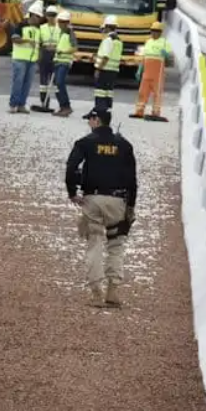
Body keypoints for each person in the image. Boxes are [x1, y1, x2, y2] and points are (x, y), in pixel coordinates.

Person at [65, 108, 138, 308]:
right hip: (118, 201)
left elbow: (71, 167)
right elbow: (132, 179)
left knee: (94, 243)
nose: (89, 122)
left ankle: (96, 292)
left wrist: (72, 192)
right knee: (116, 245)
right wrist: (130, 207)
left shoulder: (85, 143)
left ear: (97, 120)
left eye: (90, 119)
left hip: (93, 200)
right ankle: (113, 290)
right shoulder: (124, 145)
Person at [132, 22, 174, 121]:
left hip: (157, 73)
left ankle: (155, 112)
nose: (154, 33)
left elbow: (170, 58)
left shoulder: (164, 43)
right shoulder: (148, 42)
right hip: (147, 72)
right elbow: (144, 57)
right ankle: (139, 111)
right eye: (152, 31)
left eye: (156, 31)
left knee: (157, 93)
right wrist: (139, 70)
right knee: (142, 92)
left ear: (160, 32)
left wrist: (166, 55)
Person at [7, 5, 42, 113]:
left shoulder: (37, 28)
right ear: (32, 15)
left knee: (27, 84)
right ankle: (13, 105)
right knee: (18, 82)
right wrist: (27, 41)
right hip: (20, 59)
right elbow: (14, 39)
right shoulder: (21, 25)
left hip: (32, 60)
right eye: (38, 16)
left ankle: (21, 104)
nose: (39, 19)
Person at [33, 4, 61, 112]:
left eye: (53, 15)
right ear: (46, 15)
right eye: (49, 15)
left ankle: (61, 103)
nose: (51, 17)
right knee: (43, 81)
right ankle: (44, 101)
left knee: (55, 81)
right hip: (45, 54)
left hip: (56, 54)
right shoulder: (42, 28)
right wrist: (37, 56)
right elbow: (38, 43)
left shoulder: (60, 28)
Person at [93, 15, 124, 113]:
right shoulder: (119, 41)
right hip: (113, 70)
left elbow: (106, 57)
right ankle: (106, 112)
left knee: (100, 92)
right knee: (108, 92)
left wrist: (98, 69)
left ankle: (99, 112)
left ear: (107, 27)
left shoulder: (108, 40)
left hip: (105, 70)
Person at [53, 10, 76, 117]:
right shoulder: (61, 32)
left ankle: (66, 107)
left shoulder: (70, 33)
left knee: (59, 83)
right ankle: (62, 107)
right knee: (56, 85)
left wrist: (63, 52)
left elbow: (74, 48)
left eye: (60, 22)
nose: (58, 24)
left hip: (65, 62)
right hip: (58, 61)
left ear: (66, 22)